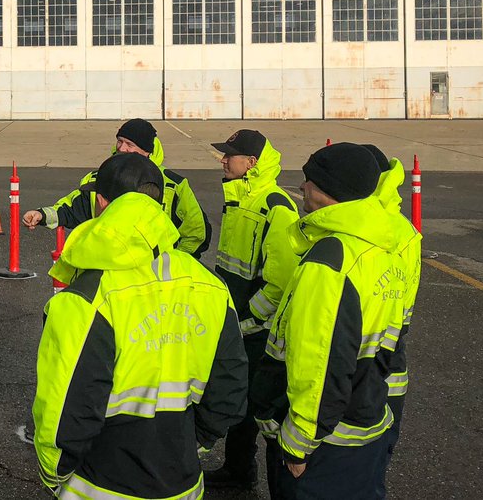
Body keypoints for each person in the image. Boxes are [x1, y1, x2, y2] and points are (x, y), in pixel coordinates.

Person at [34, 152, 248, 500]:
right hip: (182, 482)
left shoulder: (85, 297)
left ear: (101, 203)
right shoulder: (209, 285)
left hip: (99, 486)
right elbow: (230, 385)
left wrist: (53, 470)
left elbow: (66, 405)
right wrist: (198, 443)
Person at [250, 143, 407, 500]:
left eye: (309, 180)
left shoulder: (330, 259)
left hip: (325, 445)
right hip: (366, 424)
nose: (302, 187)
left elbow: (318, 362)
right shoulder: (382, 246)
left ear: (327, 191)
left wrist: (299, 442)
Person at [205, 129, 301, 491]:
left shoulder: (274, 205)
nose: (224, 160)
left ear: (253, 163)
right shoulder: (240, 199)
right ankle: (238, 467)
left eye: (231, 155)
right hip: (239, 324)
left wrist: (249, 320)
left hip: (257, 331)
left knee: (258, 402)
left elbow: (280, 281)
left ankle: (261, 472)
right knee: (239, 399)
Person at [23, 118, 210, 256]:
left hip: (154, 276)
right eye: (119, 141)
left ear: (147, 151)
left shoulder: (174, 185)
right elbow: (73, 209)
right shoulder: (100, 177)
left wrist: (175, 264)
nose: (121, 148)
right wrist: (42, 215)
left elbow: (196, 230)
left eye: (130, 144)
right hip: (109, 265)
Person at [363, 145, 422, 497]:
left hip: (373, 365)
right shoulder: (404, 231)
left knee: (367, 464)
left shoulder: (384, 231)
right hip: (388, 358)